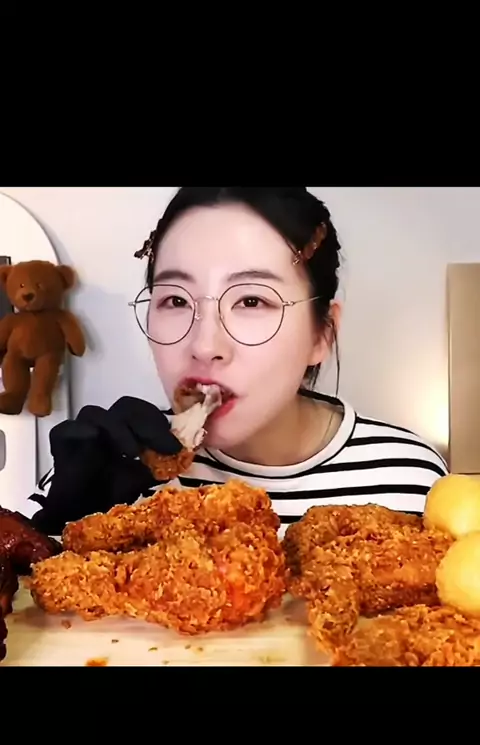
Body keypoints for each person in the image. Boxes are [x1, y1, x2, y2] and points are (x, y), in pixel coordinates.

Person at [26, 186, 448, 537]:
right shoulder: (110, 467)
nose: (204, 345)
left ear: (323, 333)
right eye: (176, 300)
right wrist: (58, 529)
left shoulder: (411, 481)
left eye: (251, 301)